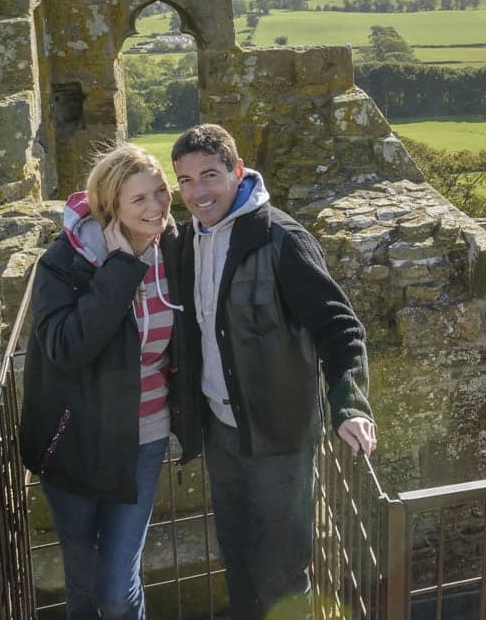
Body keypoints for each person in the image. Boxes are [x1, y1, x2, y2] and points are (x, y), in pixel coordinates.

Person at [170, 122, 377, 620]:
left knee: (281, 571)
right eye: (185, 180)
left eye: (210, 175)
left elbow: (341, 329)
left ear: (237, 172)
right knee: (236, 557)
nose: (198, 192)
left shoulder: (282, 239)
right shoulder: (183, 243)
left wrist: (349, 405)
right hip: (221, 433)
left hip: (280, 439)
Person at [20, 143, 198, 620]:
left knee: (116, 587)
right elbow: (66, 347)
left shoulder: (176, 246)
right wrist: (120, 269)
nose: (157, 206)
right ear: (111, 206)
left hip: (144, 438)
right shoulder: (66, 260)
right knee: (82, 586)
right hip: (74, 440)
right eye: (139, 199)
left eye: (160, 192)